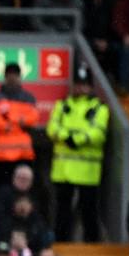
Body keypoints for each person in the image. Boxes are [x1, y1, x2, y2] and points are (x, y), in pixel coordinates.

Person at [46, 65, 109, 242]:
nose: (81, 88)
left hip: (88, 172)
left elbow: (98, 133)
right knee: (62, 211)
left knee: (88, 210)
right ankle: (61, 243)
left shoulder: (98, 108)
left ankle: (91, 246)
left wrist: (77, 140)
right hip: (63, 170)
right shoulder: (62, 105)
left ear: (91, 87)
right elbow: (52, 128)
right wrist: (68, 138)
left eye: (84, 85)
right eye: (78, 84)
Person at [0, 62, 39, 189]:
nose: (12, 78)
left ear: (19, 77)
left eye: (15, 75)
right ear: (5, 76)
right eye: (9, 75)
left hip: (23, 154)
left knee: (23, 187)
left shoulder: (28, 97)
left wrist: (10, 119)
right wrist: (19, 120)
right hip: (2, 154)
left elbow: (32, 118)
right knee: (2, 187)